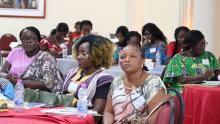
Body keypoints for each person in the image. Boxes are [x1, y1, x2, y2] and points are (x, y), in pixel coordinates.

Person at [103, 44, 167, 124]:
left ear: (143, 60)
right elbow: (108, 112)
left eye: (132, 56)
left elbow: (154, 119)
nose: (126, 60)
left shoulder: (153, 83)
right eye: (123, 57)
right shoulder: (117, 80)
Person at [0, 26, 63, 93]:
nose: (28, 41)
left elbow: (48, 84)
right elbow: (2, 72)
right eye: (24, 39)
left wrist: (20, 82)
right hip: (11, 91)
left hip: (36, 95)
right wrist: (7, 76)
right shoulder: (15, 52)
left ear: (38, 40)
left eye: (32, 38)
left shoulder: (46, 58)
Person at [62, 35, 114, 114]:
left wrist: (73, 105)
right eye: (78, 53)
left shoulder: (103, 80)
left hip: (82, 118)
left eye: (84, 53)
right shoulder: (72, 73)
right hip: (62, 113)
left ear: (97, 55)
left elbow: (97, 111)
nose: (79, 57)